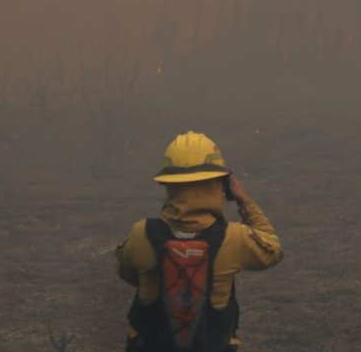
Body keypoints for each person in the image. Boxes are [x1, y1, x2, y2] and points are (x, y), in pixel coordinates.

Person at [116, 131, 284, 351]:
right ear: (220, 184)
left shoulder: (141, 235)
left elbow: (127, 273)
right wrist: (245, 201)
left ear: (169, 185)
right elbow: (272, 249)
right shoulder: (234, 239)